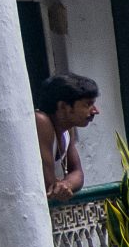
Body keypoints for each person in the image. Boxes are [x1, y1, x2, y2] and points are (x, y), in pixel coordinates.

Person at [34, 72, 99, 200]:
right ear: (63, 106)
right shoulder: (41, 121)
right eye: (87, 104)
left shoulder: (68, 130)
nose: (95, 111)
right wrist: (60, 187)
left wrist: (65, 184)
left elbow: (78, 173)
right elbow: (50, 186)